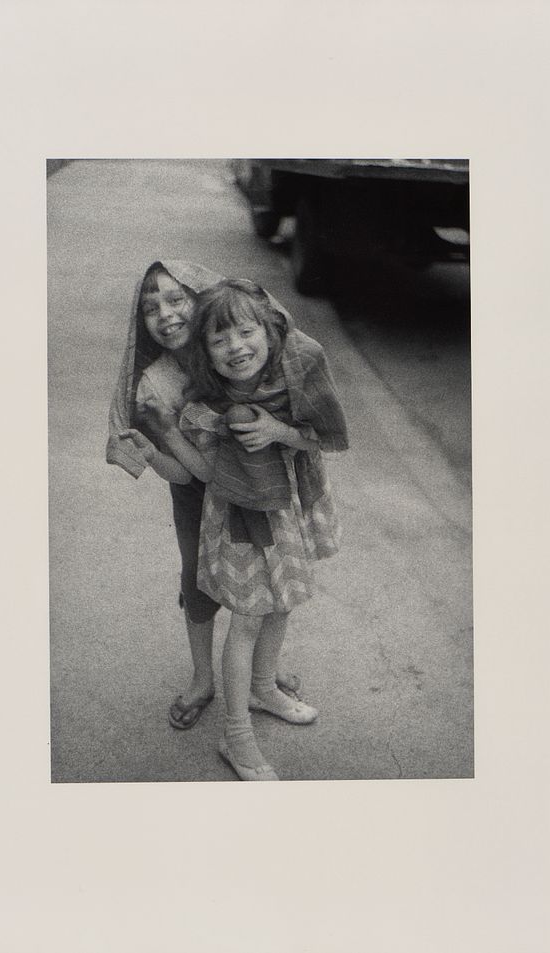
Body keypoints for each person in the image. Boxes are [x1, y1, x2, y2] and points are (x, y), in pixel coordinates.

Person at [158, 279, 348, 780]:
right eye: (220, 341)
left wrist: (278, 431)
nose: (237, 348)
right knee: (247, 619)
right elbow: (197, 472)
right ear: (205, 353)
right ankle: (235, 734)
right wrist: (157, 444)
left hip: (288, 510)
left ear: (269, 330)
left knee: (281, 602)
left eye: (246, 332)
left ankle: (264, 688)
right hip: (243, 525)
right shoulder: (204, 407)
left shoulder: (293, 380)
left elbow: (320, 437)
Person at [106, 261, 304, 731]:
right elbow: (181, 474)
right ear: (143, 324)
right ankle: (202, 679)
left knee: (274, 582)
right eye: (150, 308)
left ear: (201, 298)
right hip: (197, 497)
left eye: (176, 299)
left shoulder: (231, 349)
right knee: (199, 583)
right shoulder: (153, 384)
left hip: (264, 489)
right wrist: (154, 447)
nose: (166, 314)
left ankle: (261, 674)